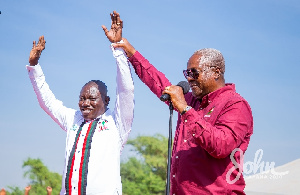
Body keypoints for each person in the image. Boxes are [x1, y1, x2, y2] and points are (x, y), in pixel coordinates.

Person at [104, 17, 253, 194]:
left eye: (194, 72)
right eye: (186, 72)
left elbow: (221, 146)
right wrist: (127, 49)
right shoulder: (192, 101)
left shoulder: (235, 104)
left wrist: (185, 109)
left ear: (216, 72)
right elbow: (158, 82)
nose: (189, 78)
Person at [26, 11, 134, 195]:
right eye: (82, 98)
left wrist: (117, 48)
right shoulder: (73, 119)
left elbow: (126, 90)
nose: (85, 103)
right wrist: (34, 66)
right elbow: (47, 102)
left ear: (106, 101)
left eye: (92, 98)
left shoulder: (116, 123)